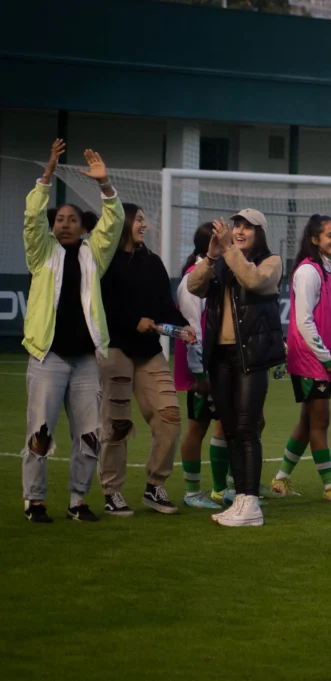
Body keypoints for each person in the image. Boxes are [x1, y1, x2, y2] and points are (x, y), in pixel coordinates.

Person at [21, 140, 123, 523]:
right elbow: (32, 217)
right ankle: (34, 502)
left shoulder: (93, 254)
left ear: (83, 227)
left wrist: (105, 184)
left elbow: (114, 223)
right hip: (47, 357)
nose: (64, 223)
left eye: (72, 219)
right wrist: (47, 175)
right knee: (40, 434)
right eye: (59, 219)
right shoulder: (41, 253)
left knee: (89, 436)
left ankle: (78, 501)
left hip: (85, 362)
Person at [188, 209, 285, 527]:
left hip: (250, 357)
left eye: (248, 227)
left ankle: (251, 503)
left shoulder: (271, 262)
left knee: (246, 429)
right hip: (220, 357)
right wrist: (210, 256)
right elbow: (194, 286)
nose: (240, 231)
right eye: (237, 226)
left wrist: (228, 248)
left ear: (261, 233)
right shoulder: (222, 261)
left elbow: (253, 281)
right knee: (230, 430)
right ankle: (241, 498)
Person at [98, 202, 196, 517]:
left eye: (144, 219)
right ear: (124, 222)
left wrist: (182, 326)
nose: (145, 225)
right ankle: (112, 491)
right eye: (139, 219)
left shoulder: (152, 262)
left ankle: (155, 486)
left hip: (149, 352)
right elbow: (100, 306)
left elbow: (164, 305)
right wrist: (132, 322)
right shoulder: (104, 260)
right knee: (117, 424)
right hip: (115, 349)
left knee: (170, 416)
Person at [270, 215, 331, 503]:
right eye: (330, 235)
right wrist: (326, 358)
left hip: (325, 357)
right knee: (320, 419)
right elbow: (303, 322)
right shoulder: (308, 271)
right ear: (315, 239)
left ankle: (281, 478)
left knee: (308, 421)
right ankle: (330, 486)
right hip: (308, 358)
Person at [174, 222, 224, 510]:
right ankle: (192, 492)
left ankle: (221, 489)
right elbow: (192, 330)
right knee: (197, 426)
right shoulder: (193, 279)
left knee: (227, 424)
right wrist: (200, 373)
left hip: (219, 366)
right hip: (202, 370)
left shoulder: (216, 274)